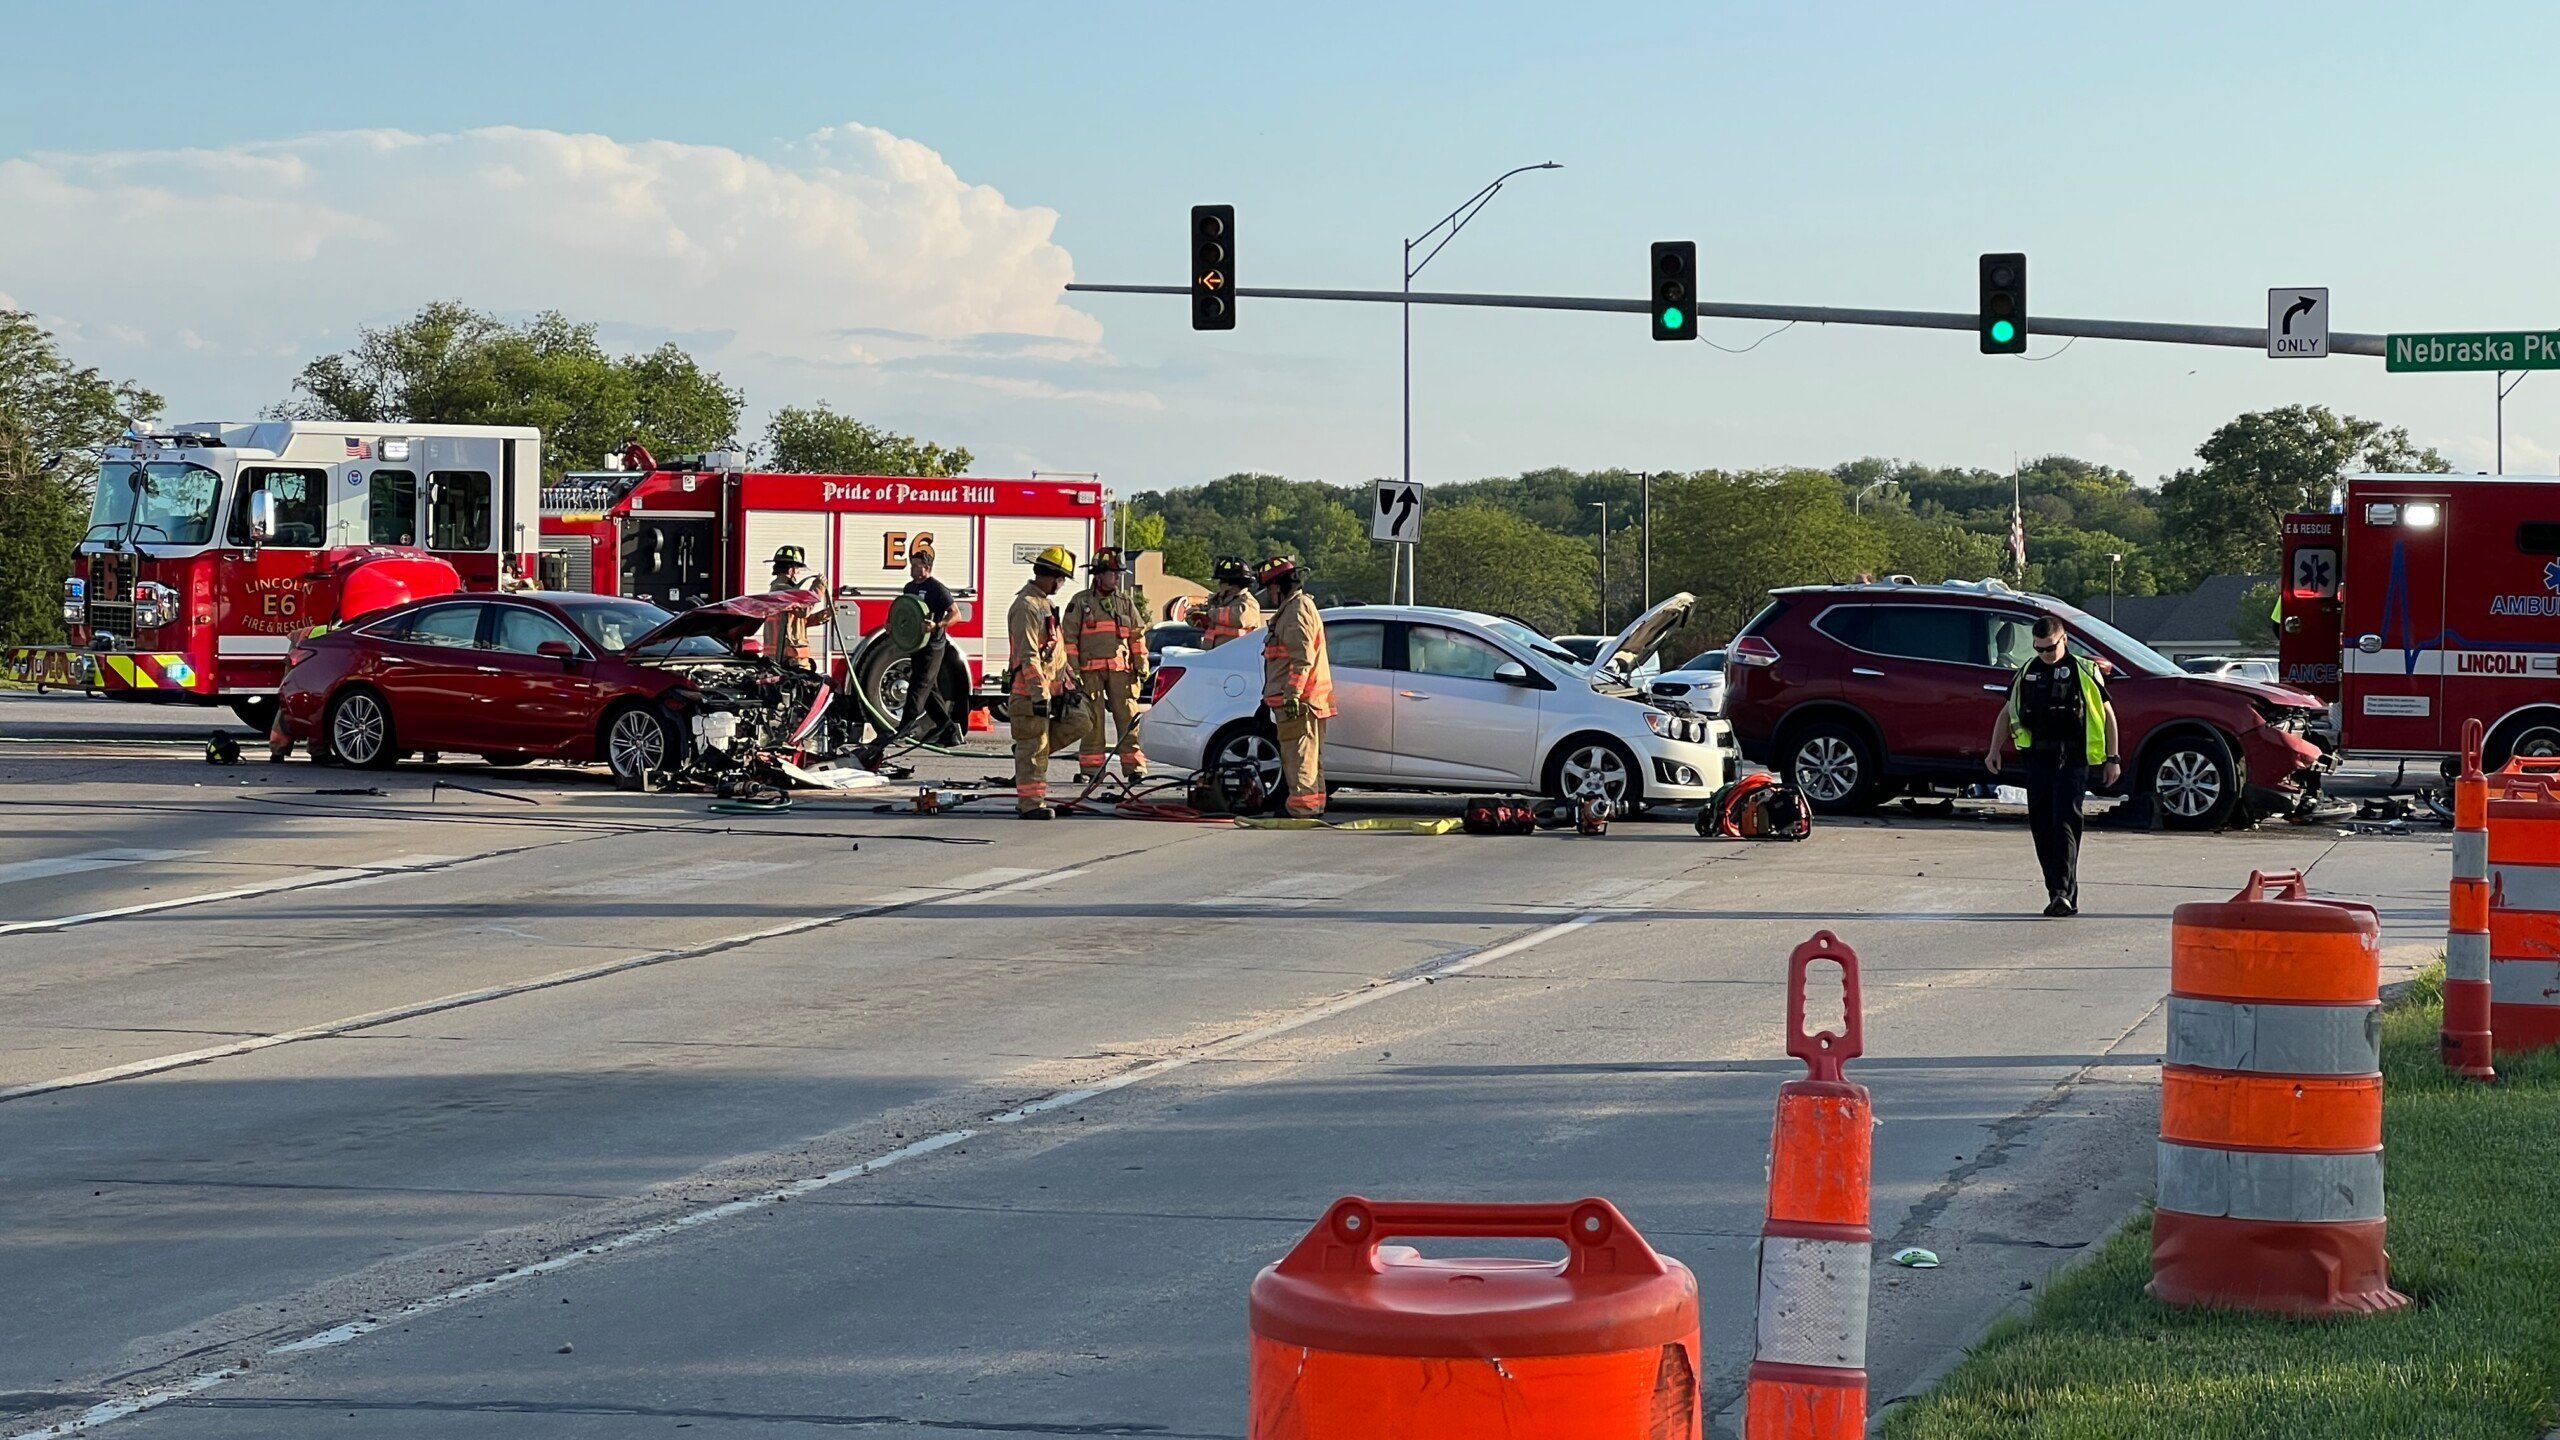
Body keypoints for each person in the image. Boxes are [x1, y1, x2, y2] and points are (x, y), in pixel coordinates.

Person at [1986, 614, 2121, 917]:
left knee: (2064, 823)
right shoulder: (2026, 672)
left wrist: (2113, 759)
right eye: (2038, 649)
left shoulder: (2084, 671)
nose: (2044, 655)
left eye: (2049, 648)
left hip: (2072, 759)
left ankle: (2064, 893)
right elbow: (2007, 713)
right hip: (2037, 760)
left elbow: (2108, 716)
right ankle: (2054, 890)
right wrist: (1994, 749)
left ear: (2064, 640)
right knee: (2042, 825)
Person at [1006, 545, 1092, 819]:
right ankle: (1031, 804)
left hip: (1053, 690)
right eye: (1061, 578)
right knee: (1035, 745)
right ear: (1050, 576)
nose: (1062, 584)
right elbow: (1029, 655)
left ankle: (1026, 751)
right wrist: (1039, 694)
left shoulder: (1043, 603)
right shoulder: (1026, 607)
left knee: (1081, 721)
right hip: (1031, 694)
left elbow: (1053, 651)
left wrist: (1068, 682)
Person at [1060, 547, 1150, 782]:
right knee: (1093, 722)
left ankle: (1135, 768)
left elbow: (1137, 635)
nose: (1118, 578)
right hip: (1089, 674)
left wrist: (1141, 664)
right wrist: (1073, 671)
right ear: (1099, 575)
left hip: (1122, 673)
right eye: (1114, 574)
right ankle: (1091, 770)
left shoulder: (1125, 601)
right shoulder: (1081, 602)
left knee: (1128, 719)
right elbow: (1068, 638)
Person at [1258, 555, 1334, 819]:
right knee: (1310, 757)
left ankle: (1302, 807)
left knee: (1298, 756)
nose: (1269, 594)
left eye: (1269, 588)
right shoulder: (1298, 607)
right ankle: (1314, 804)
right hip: (1307, 700)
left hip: (1300, 702)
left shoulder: (1296, 609)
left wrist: (1292, 695)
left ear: (1278, 586)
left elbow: (1301, 659)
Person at [894, 542, 957, 740]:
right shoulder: (909, 587)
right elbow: (906, 611)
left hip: (934, 647)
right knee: (930, 690)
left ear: (926, 568)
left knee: (918, 686)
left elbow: (955, 614)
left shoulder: (937, 589)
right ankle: (949, 730)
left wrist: (937, 625)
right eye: (911, 565)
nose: (911, 569)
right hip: (917, 645)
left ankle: (903, 730)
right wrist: (892, 624)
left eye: (915, 565)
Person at [761, 545, 828, 669]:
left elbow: (797, 622)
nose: (798, 573)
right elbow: (803, 611)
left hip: (790, 659)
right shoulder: (781, 591)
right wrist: (818, 588)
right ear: (790, 570)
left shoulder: (783, 591)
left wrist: (822, 616)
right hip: (789, 660)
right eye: (798, 569)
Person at [1183, 555, 1263, 649]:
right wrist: (1195, 613)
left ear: (1230, 584)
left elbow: (1239, 617)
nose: (1219, 585)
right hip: (1213, 654)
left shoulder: (1249, 603)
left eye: (1221, 581)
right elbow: (1210, 614)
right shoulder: (1220, 601)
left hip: (1238, 655)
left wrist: (1208, 615)